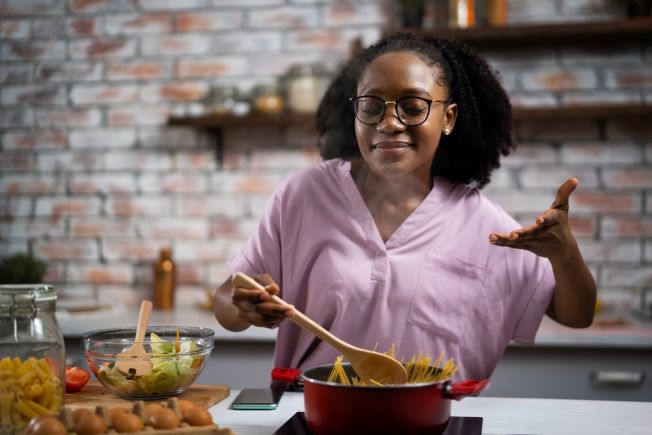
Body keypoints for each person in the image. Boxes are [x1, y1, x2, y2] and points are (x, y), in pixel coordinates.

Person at [213, 33, 596, 380]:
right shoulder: (303, 196)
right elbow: (228, 301)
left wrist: (566, 255)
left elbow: (576, 316)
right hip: (314, 410)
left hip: (434, 417)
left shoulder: (485, 224)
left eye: (413, 108)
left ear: (447, 119)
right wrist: (241, 304)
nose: (390, 122)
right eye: (372, 106)